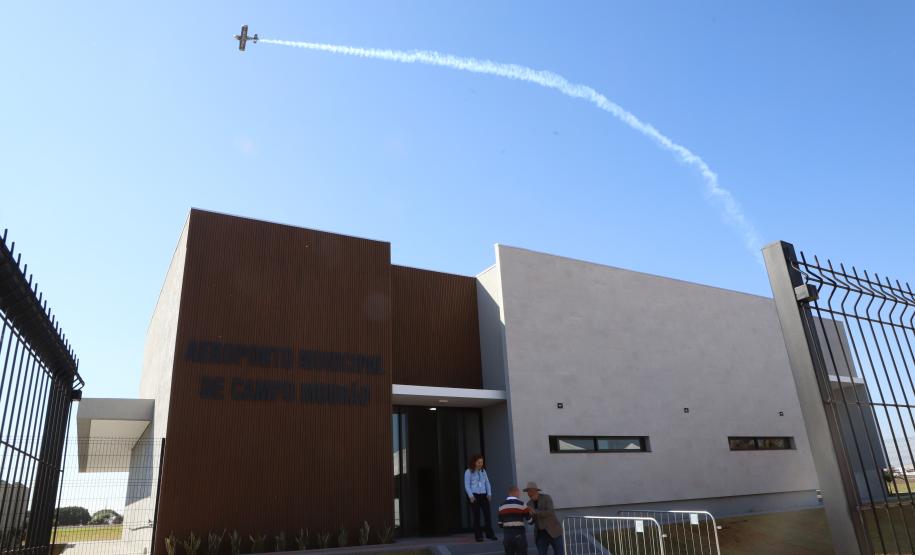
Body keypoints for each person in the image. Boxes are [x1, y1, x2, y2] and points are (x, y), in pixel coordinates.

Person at [524, 481, 564, 555]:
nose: (528, 493)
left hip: (554, 531)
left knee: (559, 553)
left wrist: (535, 511)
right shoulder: (529, 504)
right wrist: (527, 515)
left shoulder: (546, 498)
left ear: (535, 491)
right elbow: (531, 522)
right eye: (527, 491)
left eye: (530, 491)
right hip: (540, 534)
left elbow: (550, 512)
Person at [464, 454, 497, 541]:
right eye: (479, 462)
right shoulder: (468, 471)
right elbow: (467, 485)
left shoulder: (483, 471)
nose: (480, 464)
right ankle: (478, 535)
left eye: (481, 462)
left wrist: (489, 493)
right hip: (474, 496)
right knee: (477, 516)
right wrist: (471, 496)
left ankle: (489, 534)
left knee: (487, 514)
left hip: (483, 495)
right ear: (474, 462)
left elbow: (487, 483)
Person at [497, 485, 531, 555]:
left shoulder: (501, 506)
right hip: (519, 535)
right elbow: (530, 521)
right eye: (518, 492)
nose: (519, 494)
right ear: (516, 492)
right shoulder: (522, 504)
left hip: (507, 536)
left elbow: (500, 524)